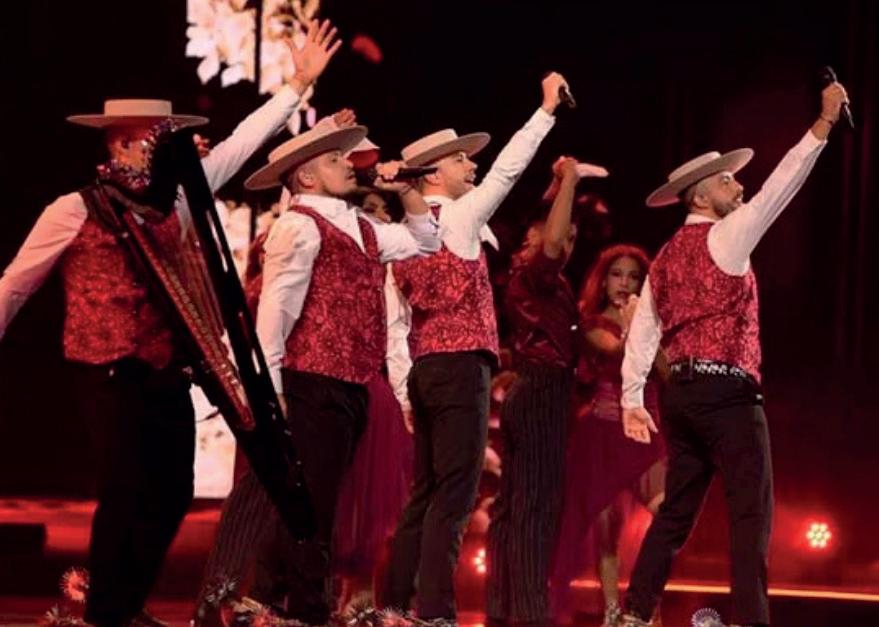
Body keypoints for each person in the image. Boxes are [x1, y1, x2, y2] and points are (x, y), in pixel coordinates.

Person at [0, 19, 342, 627]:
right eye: (152, 140)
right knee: (125, 486)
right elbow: (16, 283)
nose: (162, 149)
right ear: (121, 145)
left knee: (173, 493)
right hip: (105, 369)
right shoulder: (74, 209)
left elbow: (237, 148)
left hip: (165, 369)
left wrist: (295, 88)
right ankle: (108, 612)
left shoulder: (177, 201)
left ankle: (124, 604)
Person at [619, 81, 849, 627]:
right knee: (750, 515)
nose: (739, 186)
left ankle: (633, 614)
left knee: (676, 513)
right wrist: (822, 126)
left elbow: (644, 330)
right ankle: (752, 620)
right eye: (727, 180)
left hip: (682, 397)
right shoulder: (726, 237)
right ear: (701, 197)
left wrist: (633, 398)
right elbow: (779, 188)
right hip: (727, 395)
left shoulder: (664, 257)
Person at [380, 72, 568, 625]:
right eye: (461, 160)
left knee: (425, 493)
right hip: (460, 368)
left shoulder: (405, 234)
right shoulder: (459, 216)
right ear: (434, 174)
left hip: (425, 371)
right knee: (454, 496)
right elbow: (509, 168)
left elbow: (396, 324)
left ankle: (396, 605)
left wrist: (405, 391)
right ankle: (435, 611)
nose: (472, 166)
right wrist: (546, 111)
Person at [243, 118, 439, 625]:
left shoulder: (362, 227)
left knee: (316, 499)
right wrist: (270, 385)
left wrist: (407, 190)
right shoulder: (299, 225)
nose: (348, 165)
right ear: (307, 177)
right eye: (335, 160)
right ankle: (307, 609)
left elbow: (425, 240)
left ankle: (265, 599)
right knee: (315, 504)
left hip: (350, 383)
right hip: (311, 379)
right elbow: (276, 310)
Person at [484, 156, 582, 625]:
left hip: (536, 389)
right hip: (542, 389)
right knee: (535, 506)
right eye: (564, 235)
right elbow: (553, 240)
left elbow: (552, 231)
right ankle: (528, 612)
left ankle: (504, 607)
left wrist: (558, 184)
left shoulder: (535, 274)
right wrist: (572, 181)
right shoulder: (534, 268)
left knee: (516, 504)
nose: (568, 245)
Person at [550, 244, 667, 627]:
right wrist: (637, 325)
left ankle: (645, 605)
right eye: (617, 274)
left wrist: (649, 327)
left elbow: (667, 373)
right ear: (604, 281)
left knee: (668, 516)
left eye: (633, 276)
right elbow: (617, 352)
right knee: (606, 527)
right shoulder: (593, 323)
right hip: (603, 433)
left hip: (645, 433)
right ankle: (613, 612)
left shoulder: (655, 322)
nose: (625, 283)